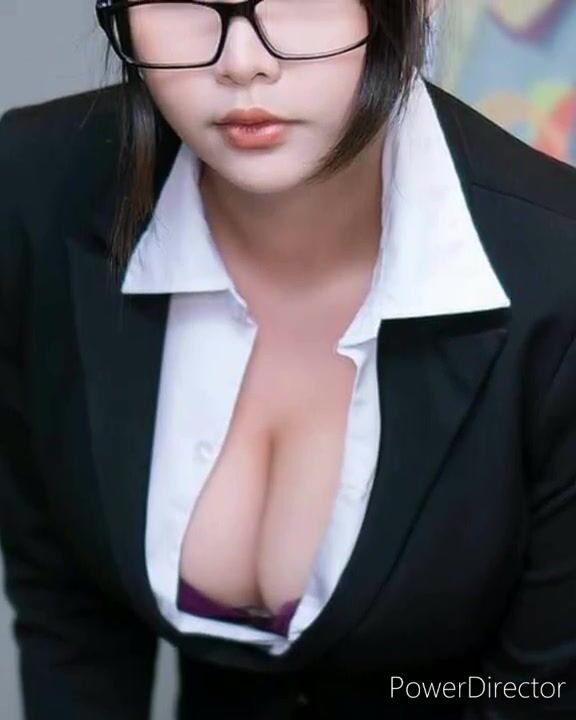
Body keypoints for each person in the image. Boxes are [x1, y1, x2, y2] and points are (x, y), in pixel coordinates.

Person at [1, 0, 576, 718]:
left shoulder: (557, 275)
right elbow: (68, 612)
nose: (242, 63)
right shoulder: (37, 184)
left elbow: (542, 692)